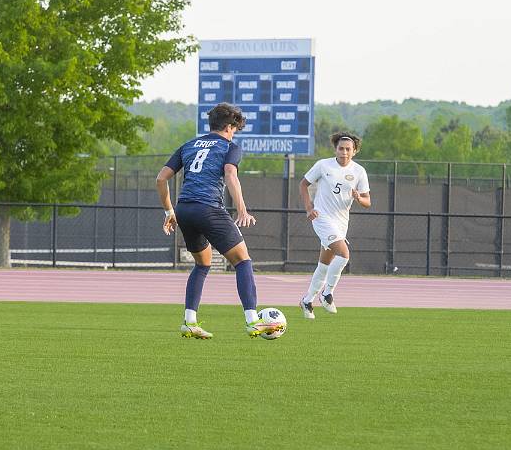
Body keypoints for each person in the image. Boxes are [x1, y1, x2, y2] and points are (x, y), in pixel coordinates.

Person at [155, 102, 284, 339]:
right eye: (234, 128)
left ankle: (189, 321)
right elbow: (230, 173)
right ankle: (252, 320)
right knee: (243, 261)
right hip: (209, 209)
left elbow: (161, 179)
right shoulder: (229, 147)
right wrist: (242, 209)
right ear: (228, 126)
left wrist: (169, 212)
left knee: (202, 264)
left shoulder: (189, 145)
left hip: (184, 210)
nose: (234, 133)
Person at [298, 132, 371, 319]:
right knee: (344, 254)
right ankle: (327, 293)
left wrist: (358, 197)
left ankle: (307, 300)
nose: (344, 152)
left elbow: (367, 202)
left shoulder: (359, 171)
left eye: (348, 149)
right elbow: (303, 184)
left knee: (324, 265)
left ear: (354, 151)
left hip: (341, 222)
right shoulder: (323, 165)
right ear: (335, 149)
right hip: (322, 218)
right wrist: (309, 208)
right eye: (341, 148)